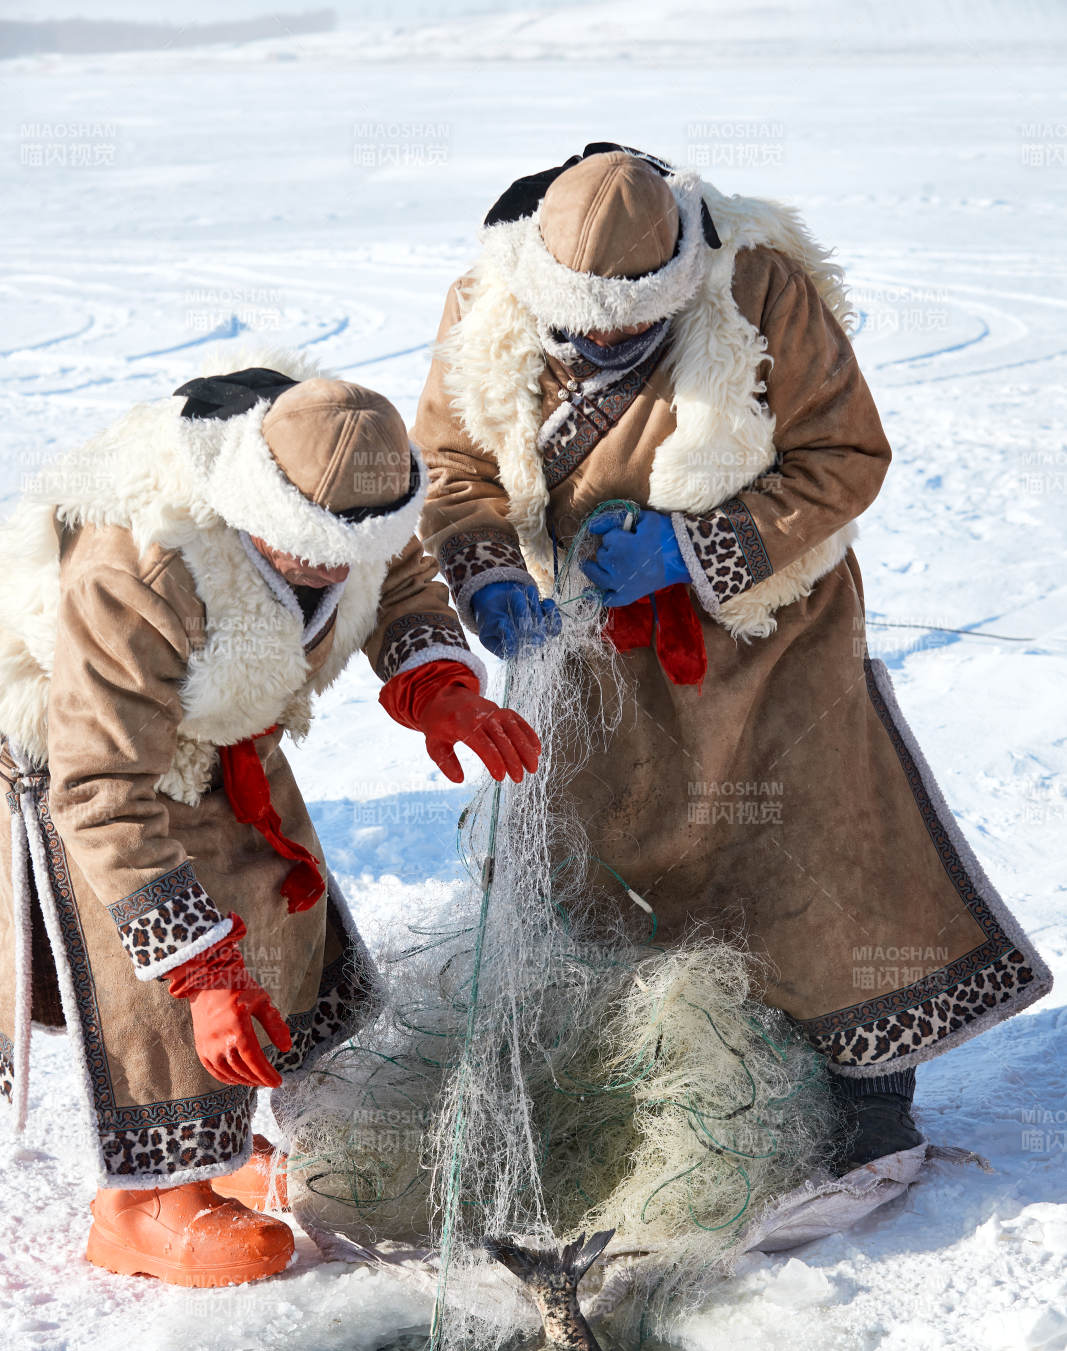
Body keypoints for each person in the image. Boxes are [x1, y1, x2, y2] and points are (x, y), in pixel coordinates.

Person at [412, 142, 1052, 1175]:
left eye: (633, 319)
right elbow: (450, 464)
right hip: (579, 646)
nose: (608, 336)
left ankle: (864, 1097)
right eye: (584, 322)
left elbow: (843, 458)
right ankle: (637, 1085)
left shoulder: (759, 289)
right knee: (599, 863)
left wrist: (693, 546)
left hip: (768, 638)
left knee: (813, 848)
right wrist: (487, 573)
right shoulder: (483, 307)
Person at [0, 358, 539, 1286]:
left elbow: (399, 578)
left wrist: (436, 684)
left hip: (220, 726)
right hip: (91, 753)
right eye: (316, 543)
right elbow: (100, 792)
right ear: (262, 501)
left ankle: (216, 1143)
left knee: (274, 910)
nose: (338, 564)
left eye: (354, 543)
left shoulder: (355, 494)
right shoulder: (145, 563)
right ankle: (143, 1204)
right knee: (165, 984)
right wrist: (202, 974)